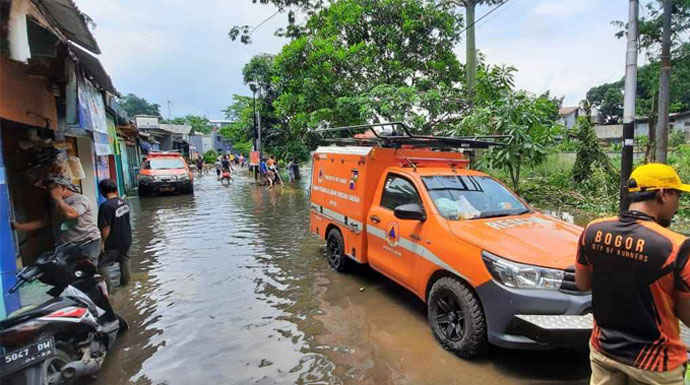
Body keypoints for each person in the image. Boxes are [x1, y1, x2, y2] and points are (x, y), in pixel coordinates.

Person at [576, 163, 690, 385]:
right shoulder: (677, 247)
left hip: (604, 352)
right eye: (678, 195)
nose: (678, 205)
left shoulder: (593, 230)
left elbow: (582, 284)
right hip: (655, 364)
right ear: (663, 194)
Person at [13, 177, 101, 264]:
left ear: (63, 188)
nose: (50, 192)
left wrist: (58, 198)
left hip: (86, 244)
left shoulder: (80, 199)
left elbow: (71, 214)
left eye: (52, 188)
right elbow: (44, 222)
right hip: (67, 246)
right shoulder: (54, 203)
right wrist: (18, 226)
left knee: (86, 272)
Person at [97, 179, 132, 286]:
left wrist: (102, 243)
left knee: (101, 265)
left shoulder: (105, 206)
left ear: (102, 191)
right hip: (126, 239)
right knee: (124, 261)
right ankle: (126, 286)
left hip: (113, 242)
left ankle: (107, 292)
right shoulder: (123, 202)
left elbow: (106, 228)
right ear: (115, 189)